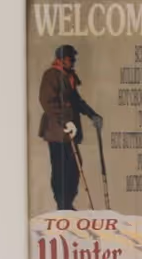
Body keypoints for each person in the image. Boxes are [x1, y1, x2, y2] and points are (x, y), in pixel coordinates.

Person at [39, 44, 103, 210]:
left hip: (69, 131)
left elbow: (76, 101)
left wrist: (92, 115)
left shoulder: (69, 76)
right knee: (61, 168)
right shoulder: (51, 75)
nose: (73, 62)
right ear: (60, 59)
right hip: (56, 130)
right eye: (70, 59)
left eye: (74, 59)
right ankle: (62, 205)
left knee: (74, 168)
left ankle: (67, 203)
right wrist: (64, 121)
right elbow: (46, 101)